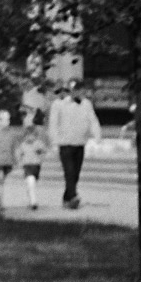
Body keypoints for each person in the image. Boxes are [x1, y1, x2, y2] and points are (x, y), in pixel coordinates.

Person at [48, 79, 101, 209]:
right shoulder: (58, 104)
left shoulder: (86, 104)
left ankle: (67, 198)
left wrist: (97, 136)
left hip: (79, 142)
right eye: (75, 89)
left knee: (76, 173)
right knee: (69, 171)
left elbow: (92, 120)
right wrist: (54, 142)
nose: (79, 92)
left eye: (80, 89)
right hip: (65, 143)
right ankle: (73, 197)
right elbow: (53, 123)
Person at [17, 112, 47, 211]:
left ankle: (31, 200)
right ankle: (33, 202)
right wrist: (19, 162)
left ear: (35, 136)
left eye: (32, 136)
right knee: (31, 182)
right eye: (28, 136)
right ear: (25, 136)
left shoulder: (38, 143)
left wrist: (40, 159)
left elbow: (44, 151)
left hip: (36, 166)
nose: (30, 138)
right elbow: (19, 154)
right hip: (27, 166)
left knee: (31, 184)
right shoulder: (23, 145)